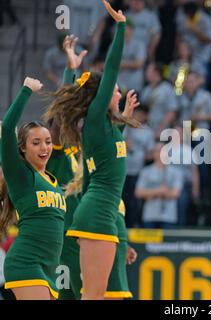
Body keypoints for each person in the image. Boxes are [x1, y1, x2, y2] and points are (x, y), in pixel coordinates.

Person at [43, 1, 136, 300]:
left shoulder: (107, 127)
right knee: (93, 297)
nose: (118, 92)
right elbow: (110, 68)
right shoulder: (95, 119)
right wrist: (120, 28)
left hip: (104, 214)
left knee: (100, 296)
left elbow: (112, 155)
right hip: (95, 213)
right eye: (115, 90)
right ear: (103, 95)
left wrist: (125, 118)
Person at [1, 77, 66, 300]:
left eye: (47, 141)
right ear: (23, 148)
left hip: (50, 267)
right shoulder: (20, 174)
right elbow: (8, 127)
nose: (44, 147)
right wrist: (26, 90)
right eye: (35, 142)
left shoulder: (53, 179)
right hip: (26, 261)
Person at [135, 142, 184, 229]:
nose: (160, 153)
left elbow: (176, 193)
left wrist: (149, 194)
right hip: (149, 215)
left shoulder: (176, 172)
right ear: (153, 154)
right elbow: (138, 192)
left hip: (169, 216)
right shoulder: (146, 171)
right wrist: (159, 191)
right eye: (157, 151)